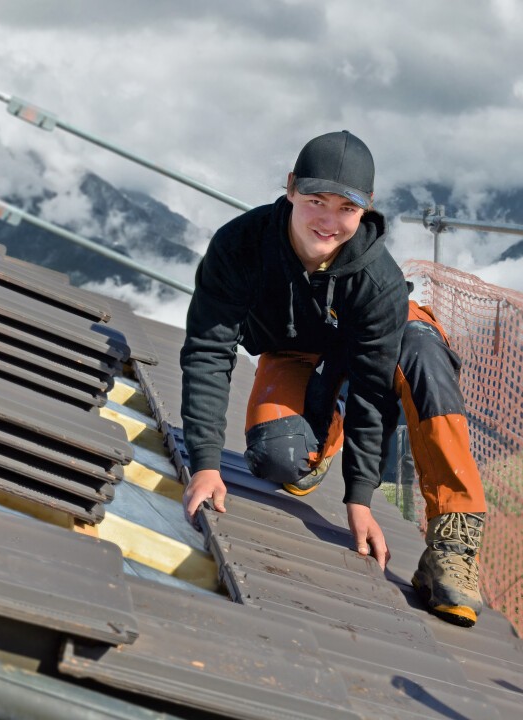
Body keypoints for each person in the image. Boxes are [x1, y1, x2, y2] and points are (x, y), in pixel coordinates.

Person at [179, 130, 489, 626]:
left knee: (425, 354)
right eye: (315, 200)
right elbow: (208, 351)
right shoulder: (241, 245)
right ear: (290, 189)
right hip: (297, 348)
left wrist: (358, 499)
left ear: (365, 210)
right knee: (278, 461)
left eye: (346, 208)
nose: (328, 220)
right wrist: (205, 464)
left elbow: (372, 391)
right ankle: (322, 436)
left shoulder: (379, 281)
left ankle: (454, 542)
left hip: (379, 337)